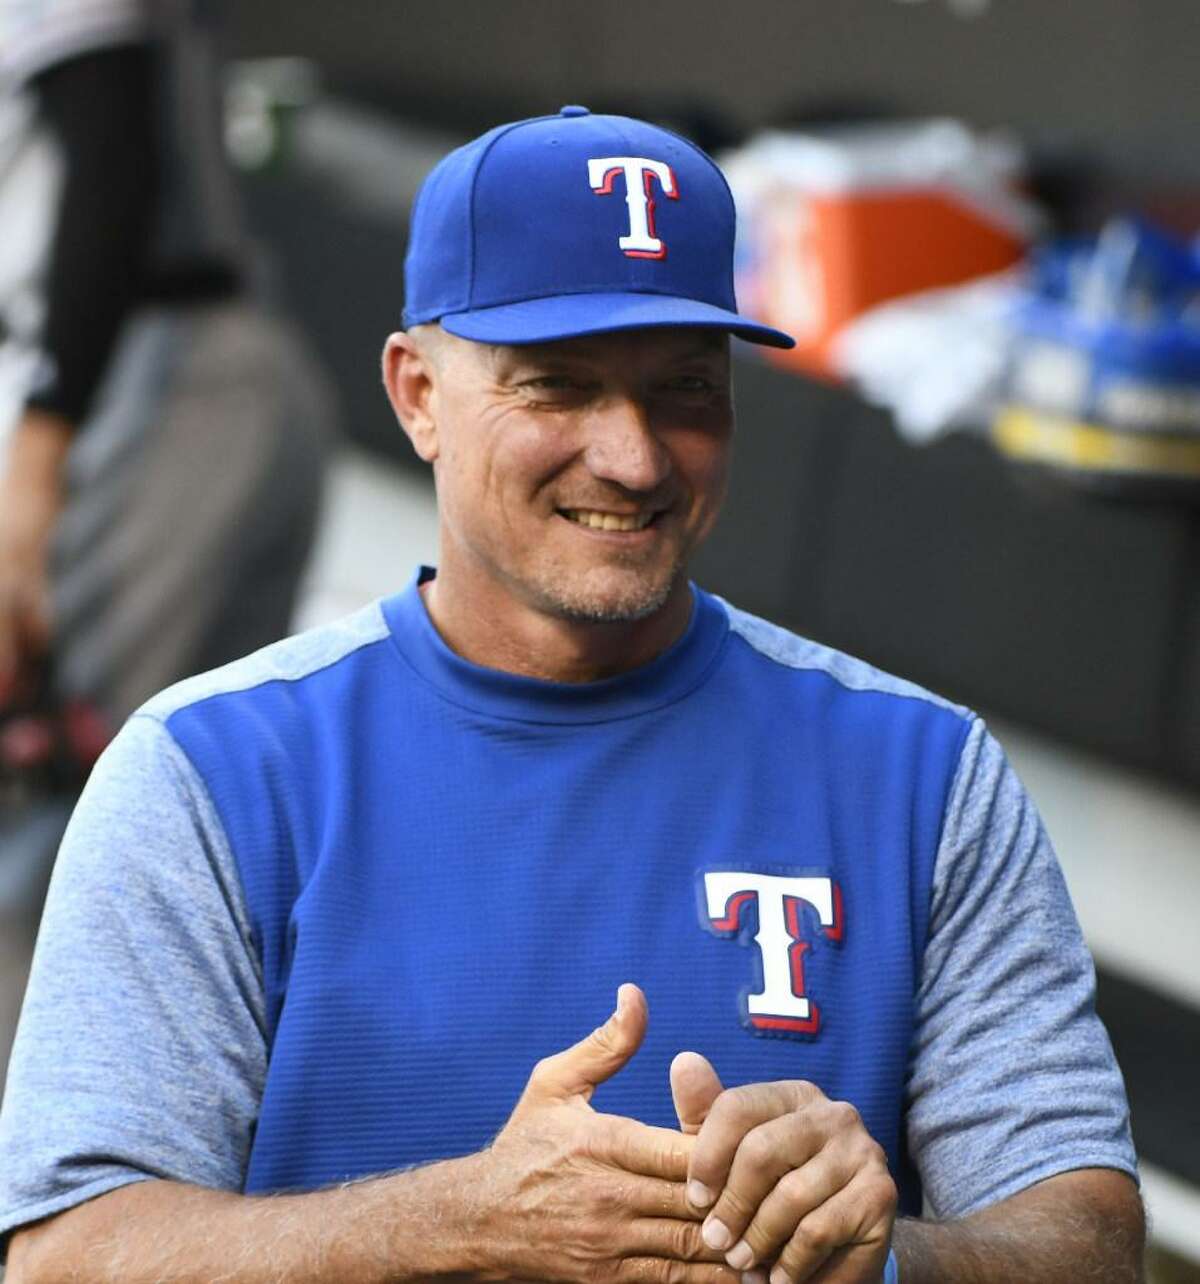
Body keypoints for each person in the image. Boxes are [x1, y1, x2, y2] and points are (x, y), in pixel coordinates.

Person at [0, 106, 1142, 1284]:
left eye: (685, 387)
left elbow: (1091, 1241)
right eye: (558, 386)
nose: (633, 458)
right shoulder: (216, 772)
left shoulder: (921, 778)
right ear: (418, 394)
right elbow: (64, 1260)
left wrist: (879, 1260)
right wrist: (466, 1224)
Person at [0, 0, 332, 781]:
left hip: (161, 382)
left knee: (67, 782)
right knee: (224, 786)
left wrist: (38, 461)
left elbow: (112, 159)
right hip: (207, 369)